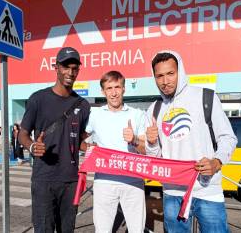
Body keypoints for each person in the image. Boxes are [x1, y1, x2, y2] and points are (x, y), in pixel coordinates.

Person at [145, 51, 237, 233]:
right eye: (159, 76)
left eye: (170, 74)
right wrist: (152, 142)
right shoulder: (154, 109)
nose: (165, 81)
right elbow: (155, 157)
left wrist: (217, 162)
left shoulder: (205, 97)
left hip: (207, 189)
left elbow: (228, 137)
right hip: (172, 193)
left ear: (181, 72)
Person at [18, 47, 90, 233]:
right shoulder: (38, 99)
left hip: (71, 182)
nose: (70, 72)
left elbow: (80, 140)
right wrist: (33, 146)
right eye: (66, 67)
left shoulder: (83, 106)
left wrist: (94, 149)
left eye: (75, 68)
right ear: (56, 67)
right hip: (44, 181)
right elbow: (22, 133)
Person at [84, 71, 146, 233]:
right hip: (104, 182)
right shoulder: (94, 115)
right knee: (102, 230)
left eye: (117, 87)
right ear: (103, 92)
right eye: (109, 88)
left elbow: (147, 150)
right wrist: (89, 148)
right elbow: (79, 140)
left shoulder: (137, 114)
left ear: (124, 89)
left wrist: (134, 140)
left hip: (133, 182)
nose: (113, 92)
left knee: (136, 230)